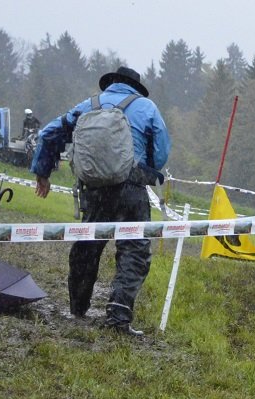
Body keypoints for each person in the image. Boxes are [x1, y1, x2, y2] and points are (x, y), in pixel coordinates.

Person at [30, 66, 170, 335]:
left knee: (87, 245)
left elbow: (48, 133)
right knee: (134, 250)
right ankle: (118, 316)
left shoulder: (88, 105)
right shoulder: (147, 108)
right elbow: (161, 152)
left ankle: (77, 309)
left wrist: (43, 173)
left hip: (94, 190)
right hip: (131, 188)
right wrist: (147, 170)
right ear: (136, 87)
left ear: (111, 84)